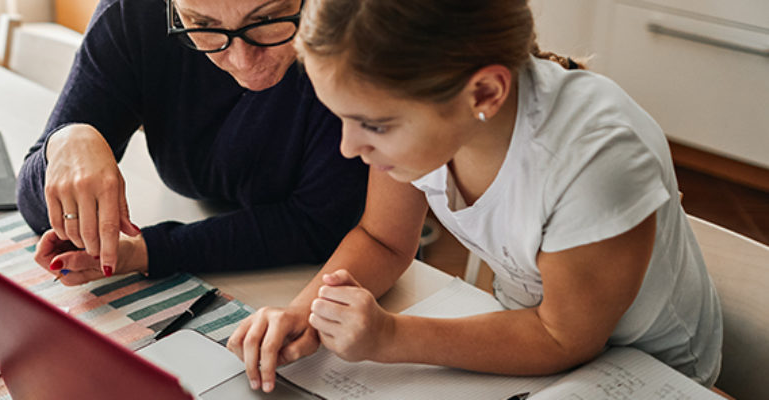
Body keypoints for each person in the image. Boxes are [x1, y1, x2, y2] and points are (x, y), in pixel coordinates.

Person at [228, 0, 723, 393]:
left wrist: (390, 337)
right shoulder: (429, 121)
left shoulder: (596, 157)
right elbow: (381, 238)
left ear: (484, 94)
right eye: (342, 116)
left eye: (373, 125)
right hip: (527, 331)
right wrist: (303, 314)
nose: (349, 148)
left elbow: (562, 336)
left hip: (650, 370)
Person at [18, 0, 368, 284]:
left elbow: (319, 225)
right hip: (246, 271)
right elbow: (35, 209)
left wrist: (151, 251)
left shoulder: (350, 27)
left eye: (270, 17)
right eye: (202, 24)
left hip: (345, 274)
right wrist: (65, 142)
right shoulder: (135, 14)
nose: (243, 60)